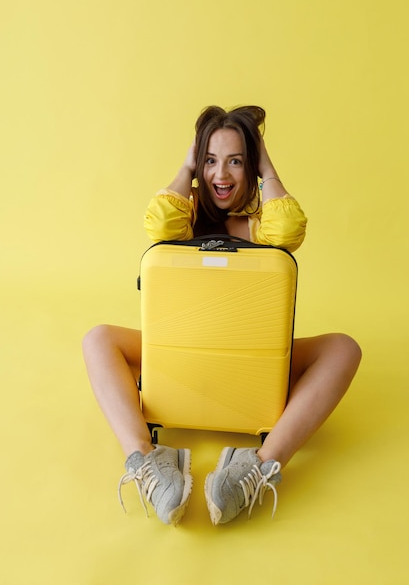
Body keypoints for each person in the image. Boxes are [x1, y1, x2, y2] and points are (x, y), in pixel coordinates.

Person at [82, 105, 361, 526]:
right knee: (96, 339)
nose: (222, 174)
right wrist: (187, 163)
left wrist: (264, 161)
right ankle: (146, 459)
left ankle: (258, 466)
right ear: (198, 165)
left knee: (345, 348)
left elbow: (287, 231)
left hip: (251, 365)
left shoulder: (258, 228)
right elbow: (158, 224)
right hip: (182, 361)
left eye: (236, 161)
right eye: (210, 160)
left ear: (250, 168)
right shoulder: (183, 220)